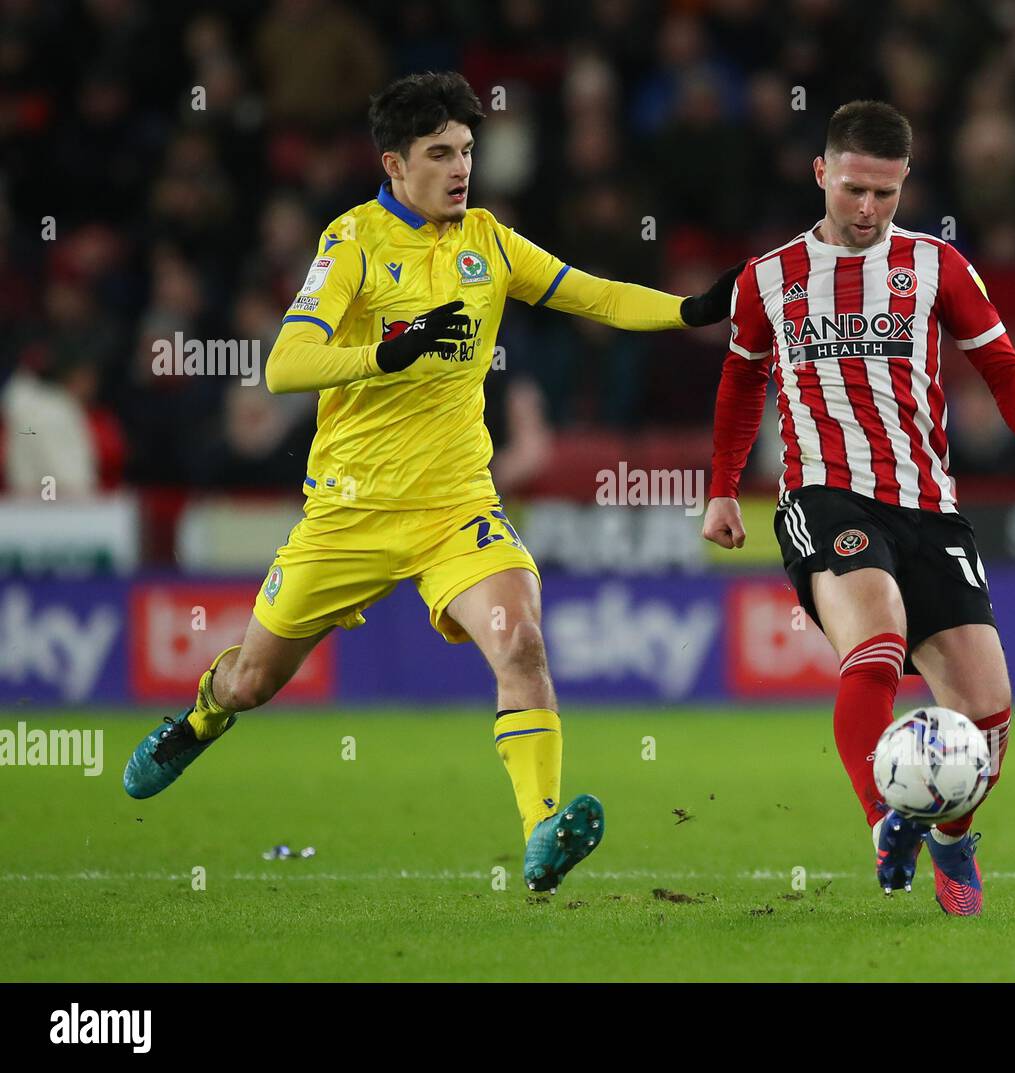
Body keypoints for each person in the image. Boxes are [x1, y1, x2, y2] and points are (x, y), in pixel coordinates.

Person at [124, 71, 742, 895]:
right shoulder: (351, 244)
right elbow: (284, 365)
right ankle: (202, 715)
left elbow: (593, 295)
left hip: (457, 506)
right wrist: (391, 349)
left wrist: (695, 309)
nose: (461, 168)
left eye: (468, 151)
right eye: (441, 153)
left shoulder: (489, 239)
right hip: (349, 511)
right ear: (394, 164)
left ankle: (542, 831)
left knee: (521, 639)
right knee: (252, 681)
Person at [701, 100, 1015, 915]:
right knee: (874, 645)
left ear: (906, 182)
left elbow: (1005, 365)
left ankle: (949, 833)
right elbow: (739, 386)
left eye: (885, 192)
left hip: (928, 505)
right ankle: (886, 822)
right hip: (823, 495)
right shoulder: (765, 279)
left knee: (987, 707)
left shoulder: (937, 264)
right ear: (821, 174)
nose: (868, 209)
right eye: (852, 190)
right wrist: (721, 488)